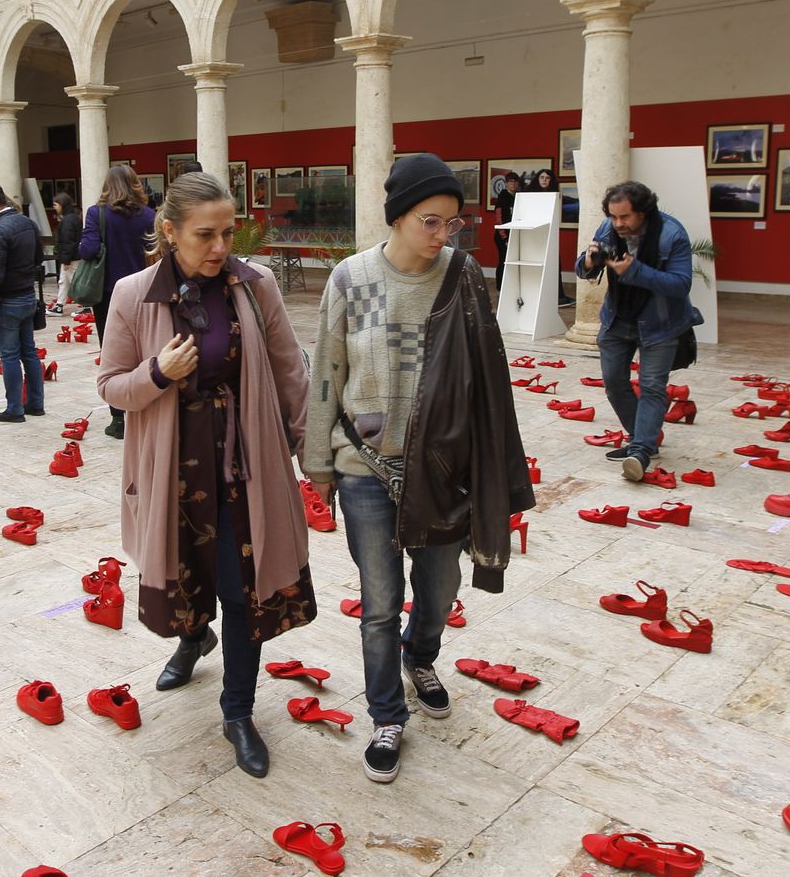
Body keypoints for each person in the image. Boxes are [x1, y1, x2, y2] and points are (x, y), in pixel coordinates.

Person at [304, 153, 531, 785]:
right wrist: (318, 460)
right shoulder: (350, 278)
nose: (442, 235)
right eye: (430, 221)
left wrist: (491, 464)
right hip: (365, 467)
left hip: (444, 468)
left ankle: (421, 655)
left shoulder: (463, 276)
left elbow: (487, 376)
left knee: (438, 590)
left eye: (452, 223)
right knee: (380, 602)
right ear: (398, 217)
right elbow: (326, 375)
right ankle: (386, 715)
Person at [98, 172, 315, 779]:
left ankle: (237, 711)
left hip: (247, 466)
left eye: (228, 232)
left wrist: (310, 454)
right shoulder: (133, 295)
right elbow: (111, 386)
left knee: (244, 586)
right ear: (170, 232)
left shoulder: (256, 285)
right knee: (186, 571)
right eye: (205, 235)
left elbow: (290, 373)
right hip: (173, 470)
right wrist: (157, 372)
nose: (220, 247)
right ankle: (194, 639)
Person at [573, 180, 701, 484]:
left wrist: (635, 271)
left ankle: (641, 450)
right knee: (614, 382)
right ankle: (643, 437)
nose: (618, 224)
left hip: (660, 324)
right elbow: (583, 269)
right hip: (618, 318)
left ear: (643, 212)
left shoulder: (672, 234)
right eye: (613, 216)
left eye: (625, 217)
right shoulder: (609, 228)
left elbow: (681, 284)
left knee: (652, 386)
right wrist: (588, 260)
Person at [78, 163, 157, 438]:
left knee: (112, 351)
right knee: (144, 347)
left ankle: (118, 419)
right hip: (143, 290)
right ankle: (144, 406)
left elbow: (88, 250)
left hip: (108, 292)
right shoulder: (148, 215)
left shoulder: (96, 213)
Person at [0, 182, 44, 422]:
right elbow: (38, 258)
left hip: (8, 301)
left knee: (10, 355)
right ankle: (36, 403)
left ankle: (15, 409)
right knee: (29, 352)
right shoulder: (27, 223)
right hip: (27, 296)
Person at [530, 169, 575, 306]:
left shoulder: (554, 195)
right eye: (542, 177)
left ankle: (558, 296)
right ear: (537, 179)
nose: (544, 180)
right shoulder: (530, 195)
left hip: (551, 235)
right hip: (536, 236)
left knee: (555, 265)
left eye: (547, 177)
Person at [49, 192, 81, 314]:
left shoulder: (68, 221)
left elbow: (68, 241)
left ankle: (86, 306)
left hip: (71, 258)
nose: (55, 207)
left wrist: (66, 260)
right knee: (64, 282)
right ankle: (59, 305)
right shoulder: (72, 218)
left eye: (56, 205)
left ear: (62, 205)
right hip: (71, 257)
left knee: (75, 282)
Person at [490, 171, 520, 295]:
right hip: (503, 236)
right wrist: (504, 237)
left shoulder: (517, 196)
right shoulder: (502, 197)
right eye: (510, 181)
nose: (513, 184)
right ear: (506, 183)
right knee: (503, 260)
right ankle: (500, 287)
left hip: (514, 234)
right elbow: (499, 218)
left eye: (515, 181)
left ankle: (510, 285)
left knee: (512, 261)